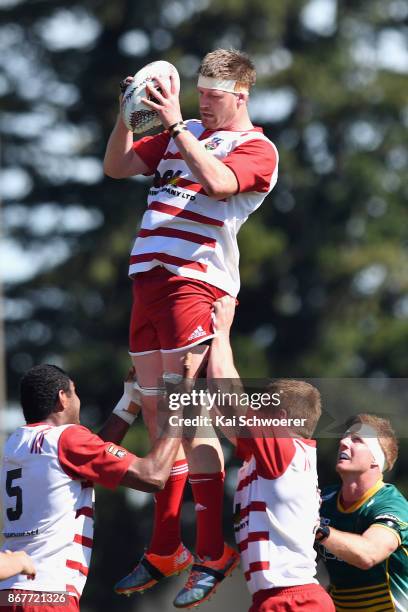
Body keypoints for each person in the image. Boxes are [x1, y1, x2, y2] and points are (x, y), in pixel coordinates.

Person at [104, 48, 278, 607]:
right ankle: (165, 548)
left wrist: (179, 126)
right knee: (160, 416)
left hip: (194, 282)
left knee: (191, 414)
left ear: (242, 94)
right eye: (198, 90)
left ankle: (209, 547)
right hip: (148, 281)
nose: (202, 100)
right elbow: (118, 166)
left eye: (212, 93)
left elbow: (222, 184)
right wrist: (127, 113)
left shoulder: (254, 146)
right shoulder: (189, 130)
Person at [0, 363, 186, 612]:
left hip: (9, 593)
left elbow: (92, 456)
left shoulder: (16, 442)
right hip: (48, 595)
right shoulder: (66, 440)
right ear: (62, 398)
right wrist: (179, 406)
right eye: (74, 392)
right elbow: (152, 475)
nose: (79, 401)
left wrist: (130, 401)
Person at [206, 296, 335, 612]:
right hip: (275, 601)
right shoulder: (274, 455)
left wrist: (221, 331)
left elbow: (229, 397)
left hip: (296, 602)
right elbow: (217, 406)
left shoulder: (282, 447)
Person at [317, 414, 408, 611]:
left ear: (376, 460)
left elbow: (369, 554)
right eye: (344, 437)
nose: (343, 442)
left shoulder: (392, 505)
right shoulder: (324, 499)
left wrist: (318, 530)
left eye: (356, 440)